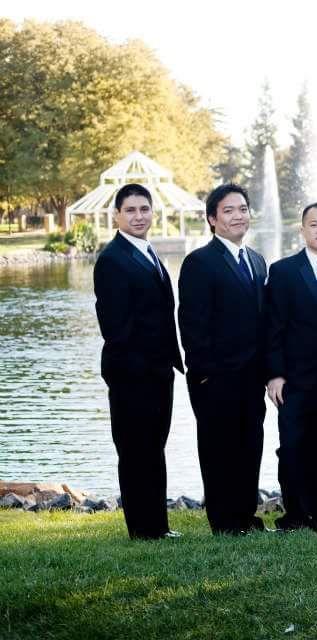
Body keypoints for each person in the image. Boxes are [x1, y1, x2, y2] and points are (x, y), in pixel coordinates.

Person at [93, 183, 183, 540]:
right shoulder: (113, 259)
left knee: (153, 448)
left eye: (144, 209)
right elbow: (115, 327)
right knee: (134, 451)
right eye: (130, 210)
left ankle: (157, 525)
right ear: (116, 215)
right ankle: (142, 530)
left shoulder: (147, 252)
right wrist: (140, 369)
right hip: (132, 373)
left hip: (159, 372)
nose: (138, 216)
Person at [178, 183, 269, 534]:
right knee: (219, 451)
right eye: (228, 210)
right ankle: (224, 521)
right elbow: (192, 324)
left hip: (252, 377)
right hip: (214, 377)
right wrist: (205, 374)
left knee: (250, 447)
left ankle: (246, 515)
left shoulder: (257, 261)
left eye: (242, 209)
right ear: (213, 219)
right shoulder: (200, 262)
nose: (237, 216)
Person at [265, 202, 317, 531]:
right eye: (314, 224)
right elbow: (273, 327)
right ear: (302, 230)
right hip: (294, 380)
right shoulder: (284, 271)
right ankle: (296, 515)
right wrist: (274, 374)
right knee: (292, 447)